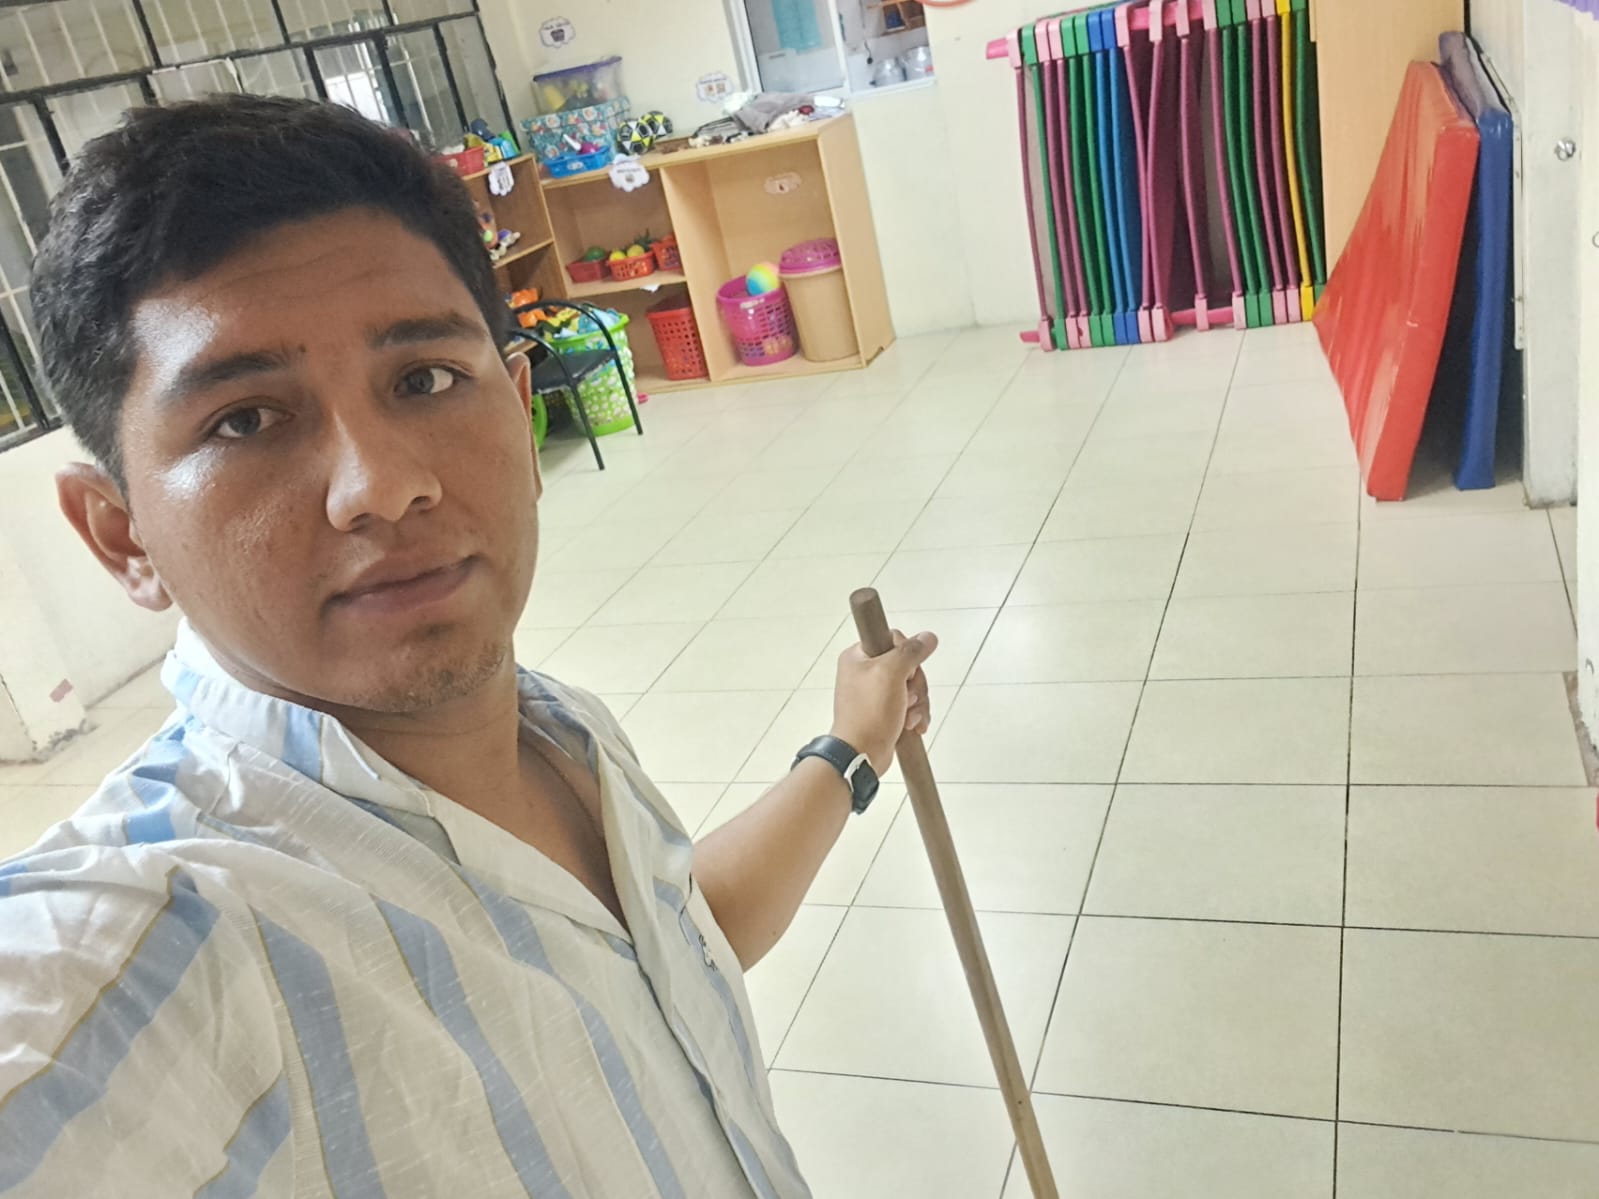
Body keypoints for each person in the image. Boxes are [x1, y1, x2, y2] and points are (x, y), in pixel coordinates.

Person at [0, 95, 936, 1197]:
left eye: (425, 379)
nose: (382, 485)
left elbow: (672, 954)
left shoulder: (556, 727)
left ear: (522, 413)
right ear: (123, 535)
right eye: (244, 419)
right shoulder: (157, 931)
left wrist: (851, 746)